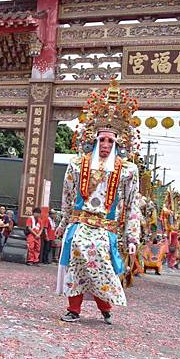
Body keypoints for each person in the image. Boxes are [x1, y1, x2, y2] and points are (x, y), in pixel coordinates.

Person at [56, 78, 140, 325]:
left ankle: (105, 307)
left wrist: (132, 237)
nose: (105, 145)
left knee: (101, 262)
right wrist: (63, 226)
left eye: (110, 141)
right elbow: (67, 199)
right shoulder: (76, 164)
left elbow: (132, 205)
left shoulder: (127, 170)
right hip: (80, 224)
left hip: (106, 228)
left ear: (118, 143)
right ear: (93, 140)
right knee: (76, 257)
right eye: (101, 140)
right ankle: (74, 308)